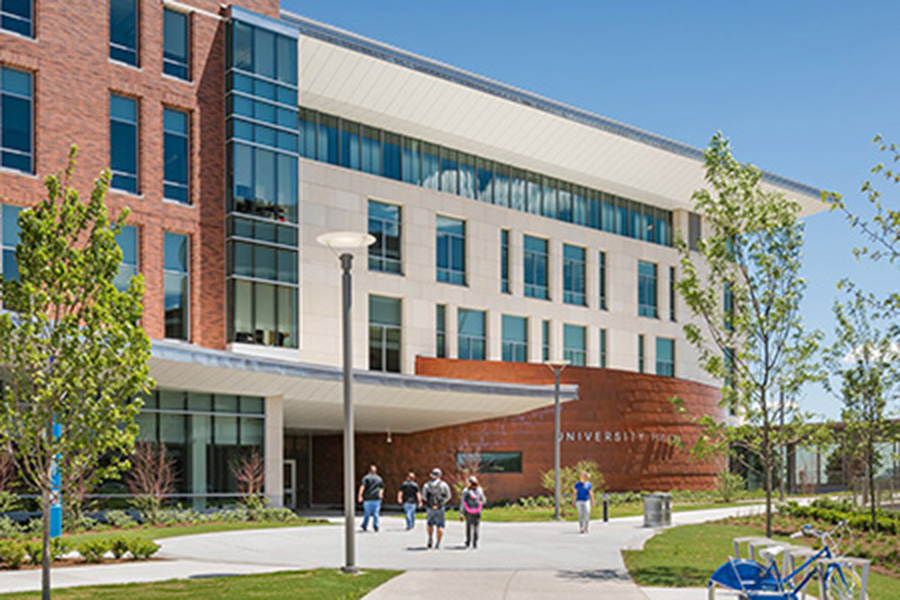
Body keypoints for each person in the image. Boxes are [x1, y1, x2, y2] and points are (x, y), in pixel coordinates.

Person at [422, 467, 451, 549]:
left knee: (430, 523)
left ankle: (430, 538)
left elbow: (424, 496)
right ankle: (438, 543)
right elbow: (448, 496)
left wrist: (430, 503)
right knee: (440, 525)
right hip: (440, 507)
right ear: (440, 475)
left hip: (430, 507)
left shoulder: (427, 485)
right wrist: (442, 502)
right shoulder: (444, 485)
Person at [458, 475, 486, 549]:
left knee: (468, 526)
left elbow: (463, 502)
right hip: (477, 511)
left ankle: (468, 541)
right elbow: (483, 500)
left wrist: (461, 513)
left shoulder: (466, 491)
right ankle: (475, 542)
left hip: (468, 511)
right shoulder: (479, 490)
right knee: (476, 526)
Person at [358, 464, 384, 532]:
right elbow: (381, 488)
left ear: (369, 470)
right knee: (376, 513)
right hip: (376, 498)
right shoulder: (379, 478)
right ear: (376, 471)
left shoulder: (366, 478)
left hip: (368, 498)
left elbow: (362, 487)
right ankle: (376, 526)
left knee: (367, 513)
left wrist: (360, 495)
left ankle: (364, 525)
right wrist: (380, 494)